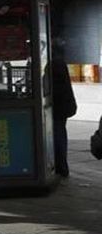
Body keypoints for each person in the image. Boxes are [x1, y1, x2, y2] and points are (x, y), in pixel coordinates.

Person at [51, 40, 77, 177]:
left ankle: (61, 167)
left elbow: (56, 88)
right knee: (60, 134)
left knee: (58, 135)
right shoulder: (59, 62)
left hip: (59, 107)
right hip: (63, 106)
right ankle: (61, 166)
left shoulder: (55, 64)